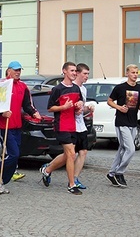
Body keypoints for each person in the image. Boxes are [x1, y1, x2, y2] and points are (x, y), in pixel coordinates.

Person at [0, 61, 41, 194]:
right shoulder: (2, 84)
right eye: (16, 70)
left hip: (17, 125)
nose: (18, 73)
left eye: (19, 70)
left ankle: (1, 181)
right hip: (3, 126)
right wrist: (2, 113)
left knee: (15, 156)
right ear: (9, 71)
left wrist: (34, 113)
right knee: (13, 154)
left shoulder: (23, 87)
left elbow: (27, 105)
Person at [39, 62, 84, 195]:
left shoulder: (76, 88)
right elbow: (50, 107)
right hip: (61, 125)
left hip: (73, 125)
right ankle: (71, 185)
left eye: (75, 71)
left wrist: (79, 106)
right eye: (72, 70)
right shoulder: (57, 89)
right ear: (64, 71)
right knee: (70, 154)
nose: (74, 73)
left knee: (68, 155)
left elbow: (78, 105)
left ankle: (47, 170)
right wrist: (63, 107)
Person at [106, 64, 140, 187]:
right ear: (127, 73)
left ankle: (111, 173)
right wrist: (119, 107)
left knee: (123, 149)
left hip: (133, 122)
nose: (135, 75)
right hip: (121, 122)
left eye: (136, 73)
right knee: (131, 149)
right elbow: (109, 101)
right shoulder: (120, 88)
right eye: (133, 72)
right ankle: (120, 172)